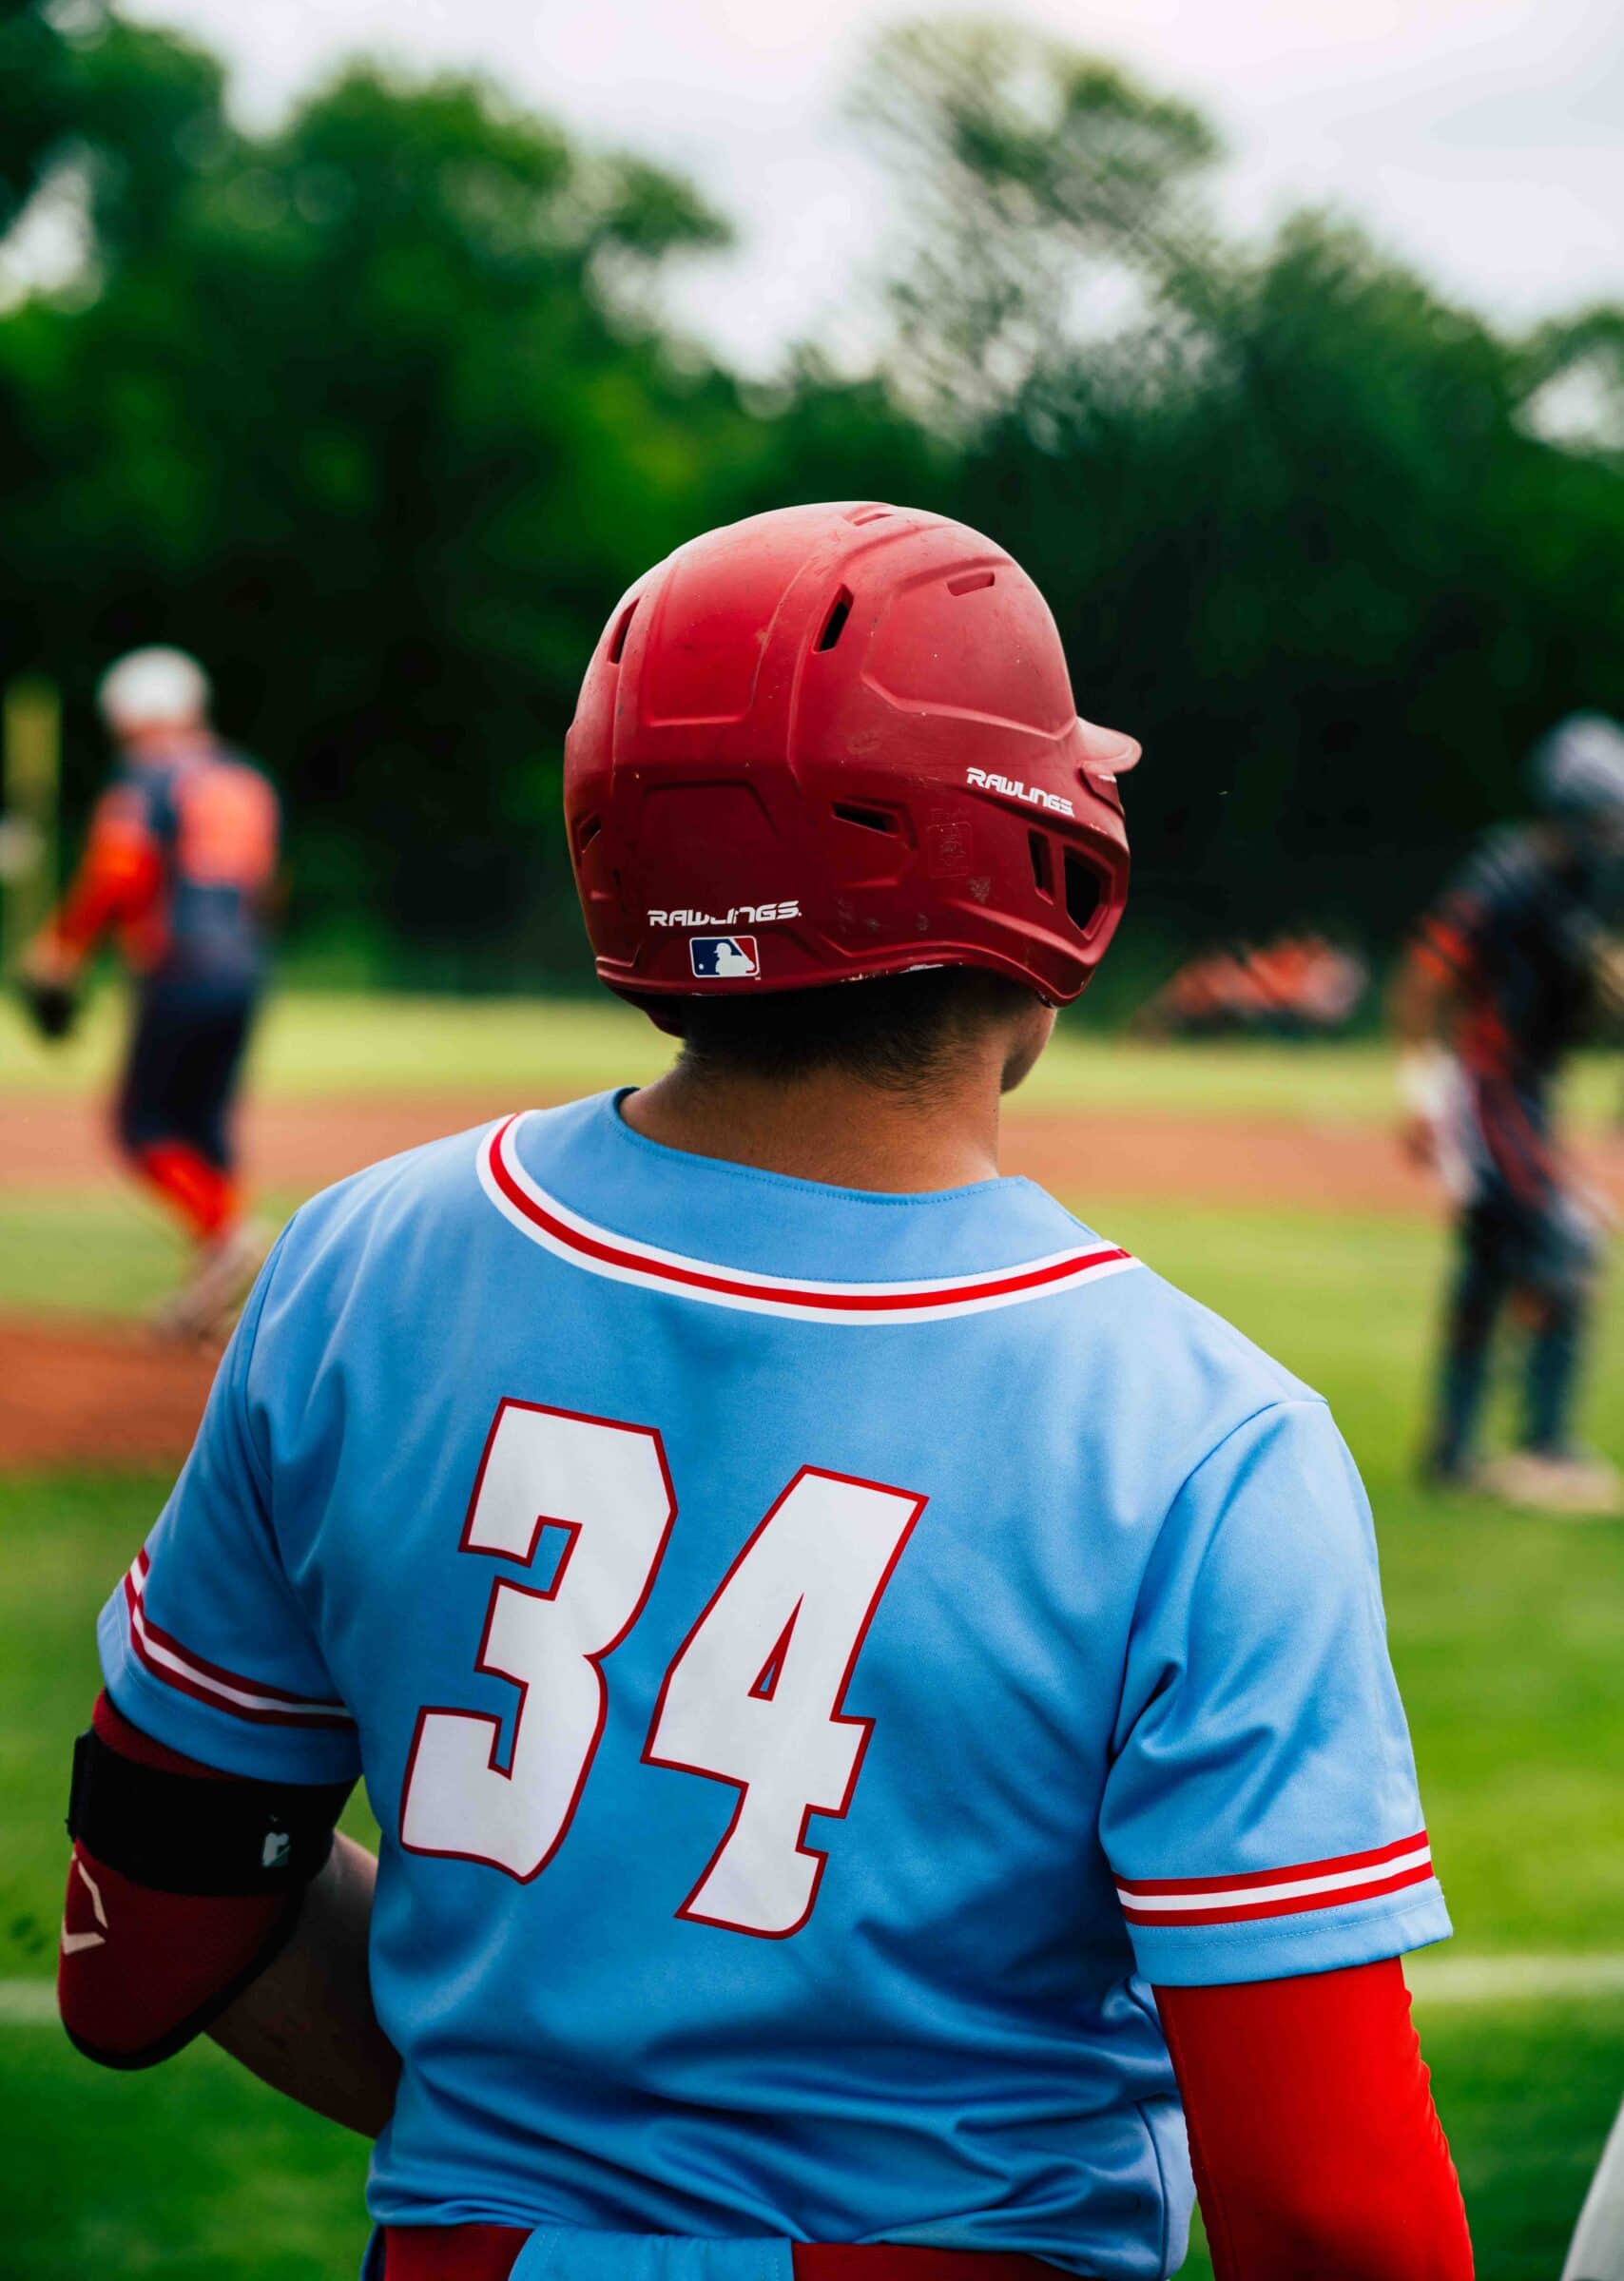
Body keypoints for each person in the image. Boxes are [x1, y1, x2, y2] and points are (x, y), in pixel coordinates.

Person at [57, 506, 1472, 2279]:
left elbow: (146, 1943)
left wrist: (573, 2151)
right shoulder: (1196, 1437)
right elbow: (1332, 2214)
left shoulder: (358, 1264)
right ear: (1050, 863)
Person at [1393, 712, 1624, 1515]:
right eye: (1602, 818)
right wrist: (1422, 1092)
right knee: (1566, 1243)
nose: (1612, 834)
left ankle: (1451, 1453)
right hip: (1487, 1085)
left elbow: (1583, 994)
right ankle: (1546, 1447)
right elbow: (1427, 975)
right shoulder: (1508, 876)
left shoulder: (1586, 889)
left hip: (1528, 1086)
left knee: (1490, 1263)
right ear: (1566, 810)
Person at [24, 646, 279, 1338]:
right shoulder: (246, 778)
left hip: (178, 968)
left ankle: (229, 1238)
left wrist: (64, 950)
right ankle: (218, 1293)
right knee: (205, 1128)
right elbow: (261, 888)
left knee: (144, 1127)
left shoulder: (148, 776)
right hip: (247, 969)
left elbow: (120, 870)